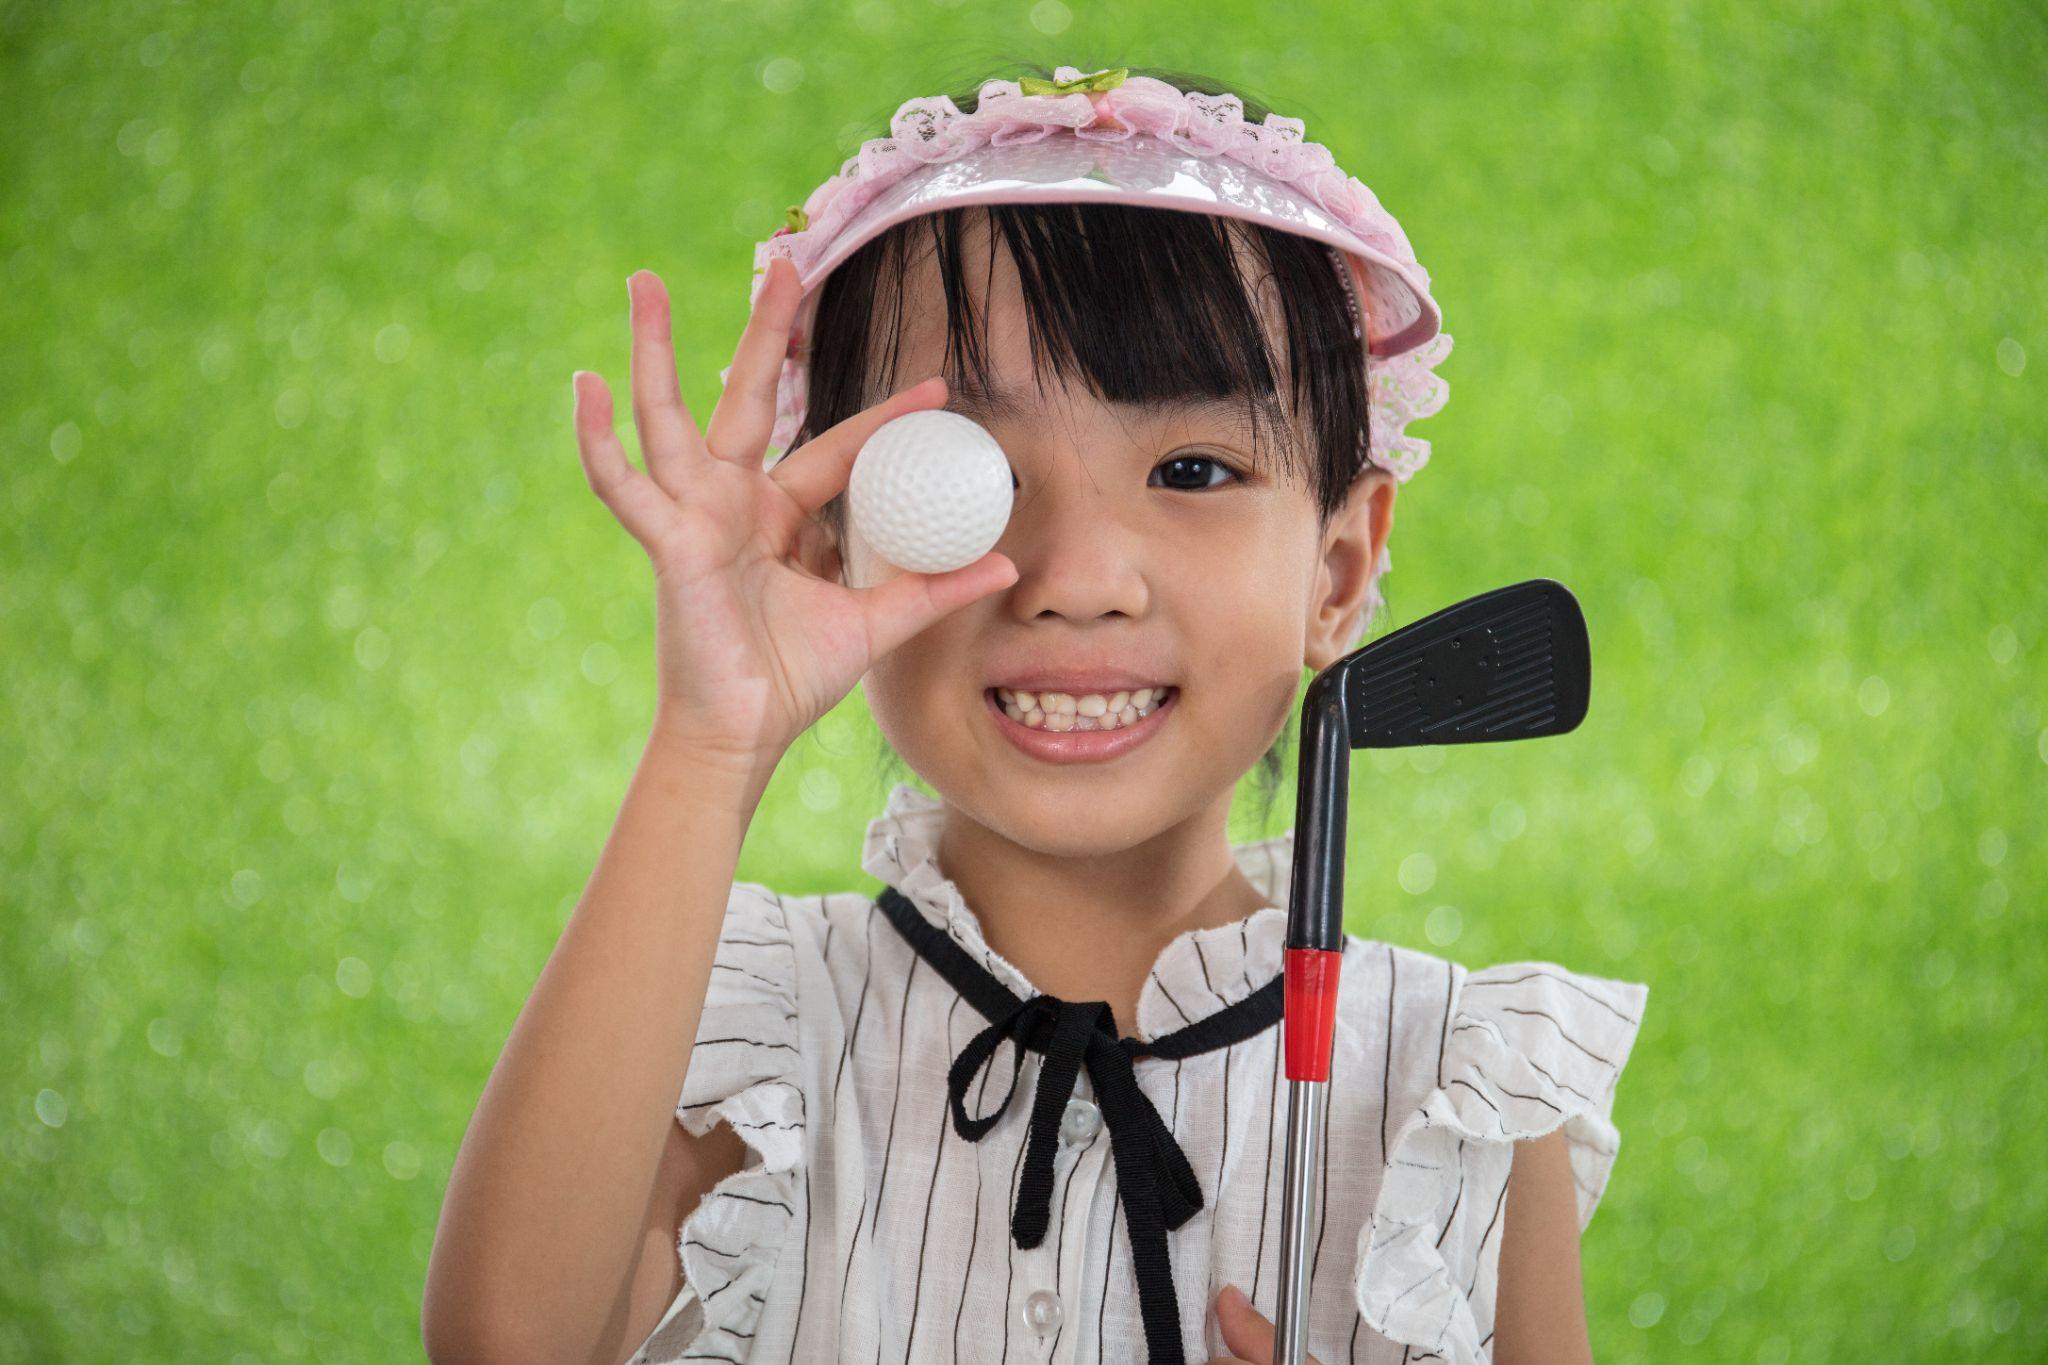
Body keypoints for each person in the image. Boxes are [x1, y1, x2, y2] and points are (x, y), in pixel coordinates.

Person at [423, 64, 1649, 1365]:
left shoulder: (1460, 1084)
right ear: (840, 540)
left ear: (1340, 571)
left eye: (1192, 467)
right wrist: (711, 739)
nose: (1074, 581)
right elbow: (509, 1344)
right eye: (972, 473)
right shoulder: (748, 1025)